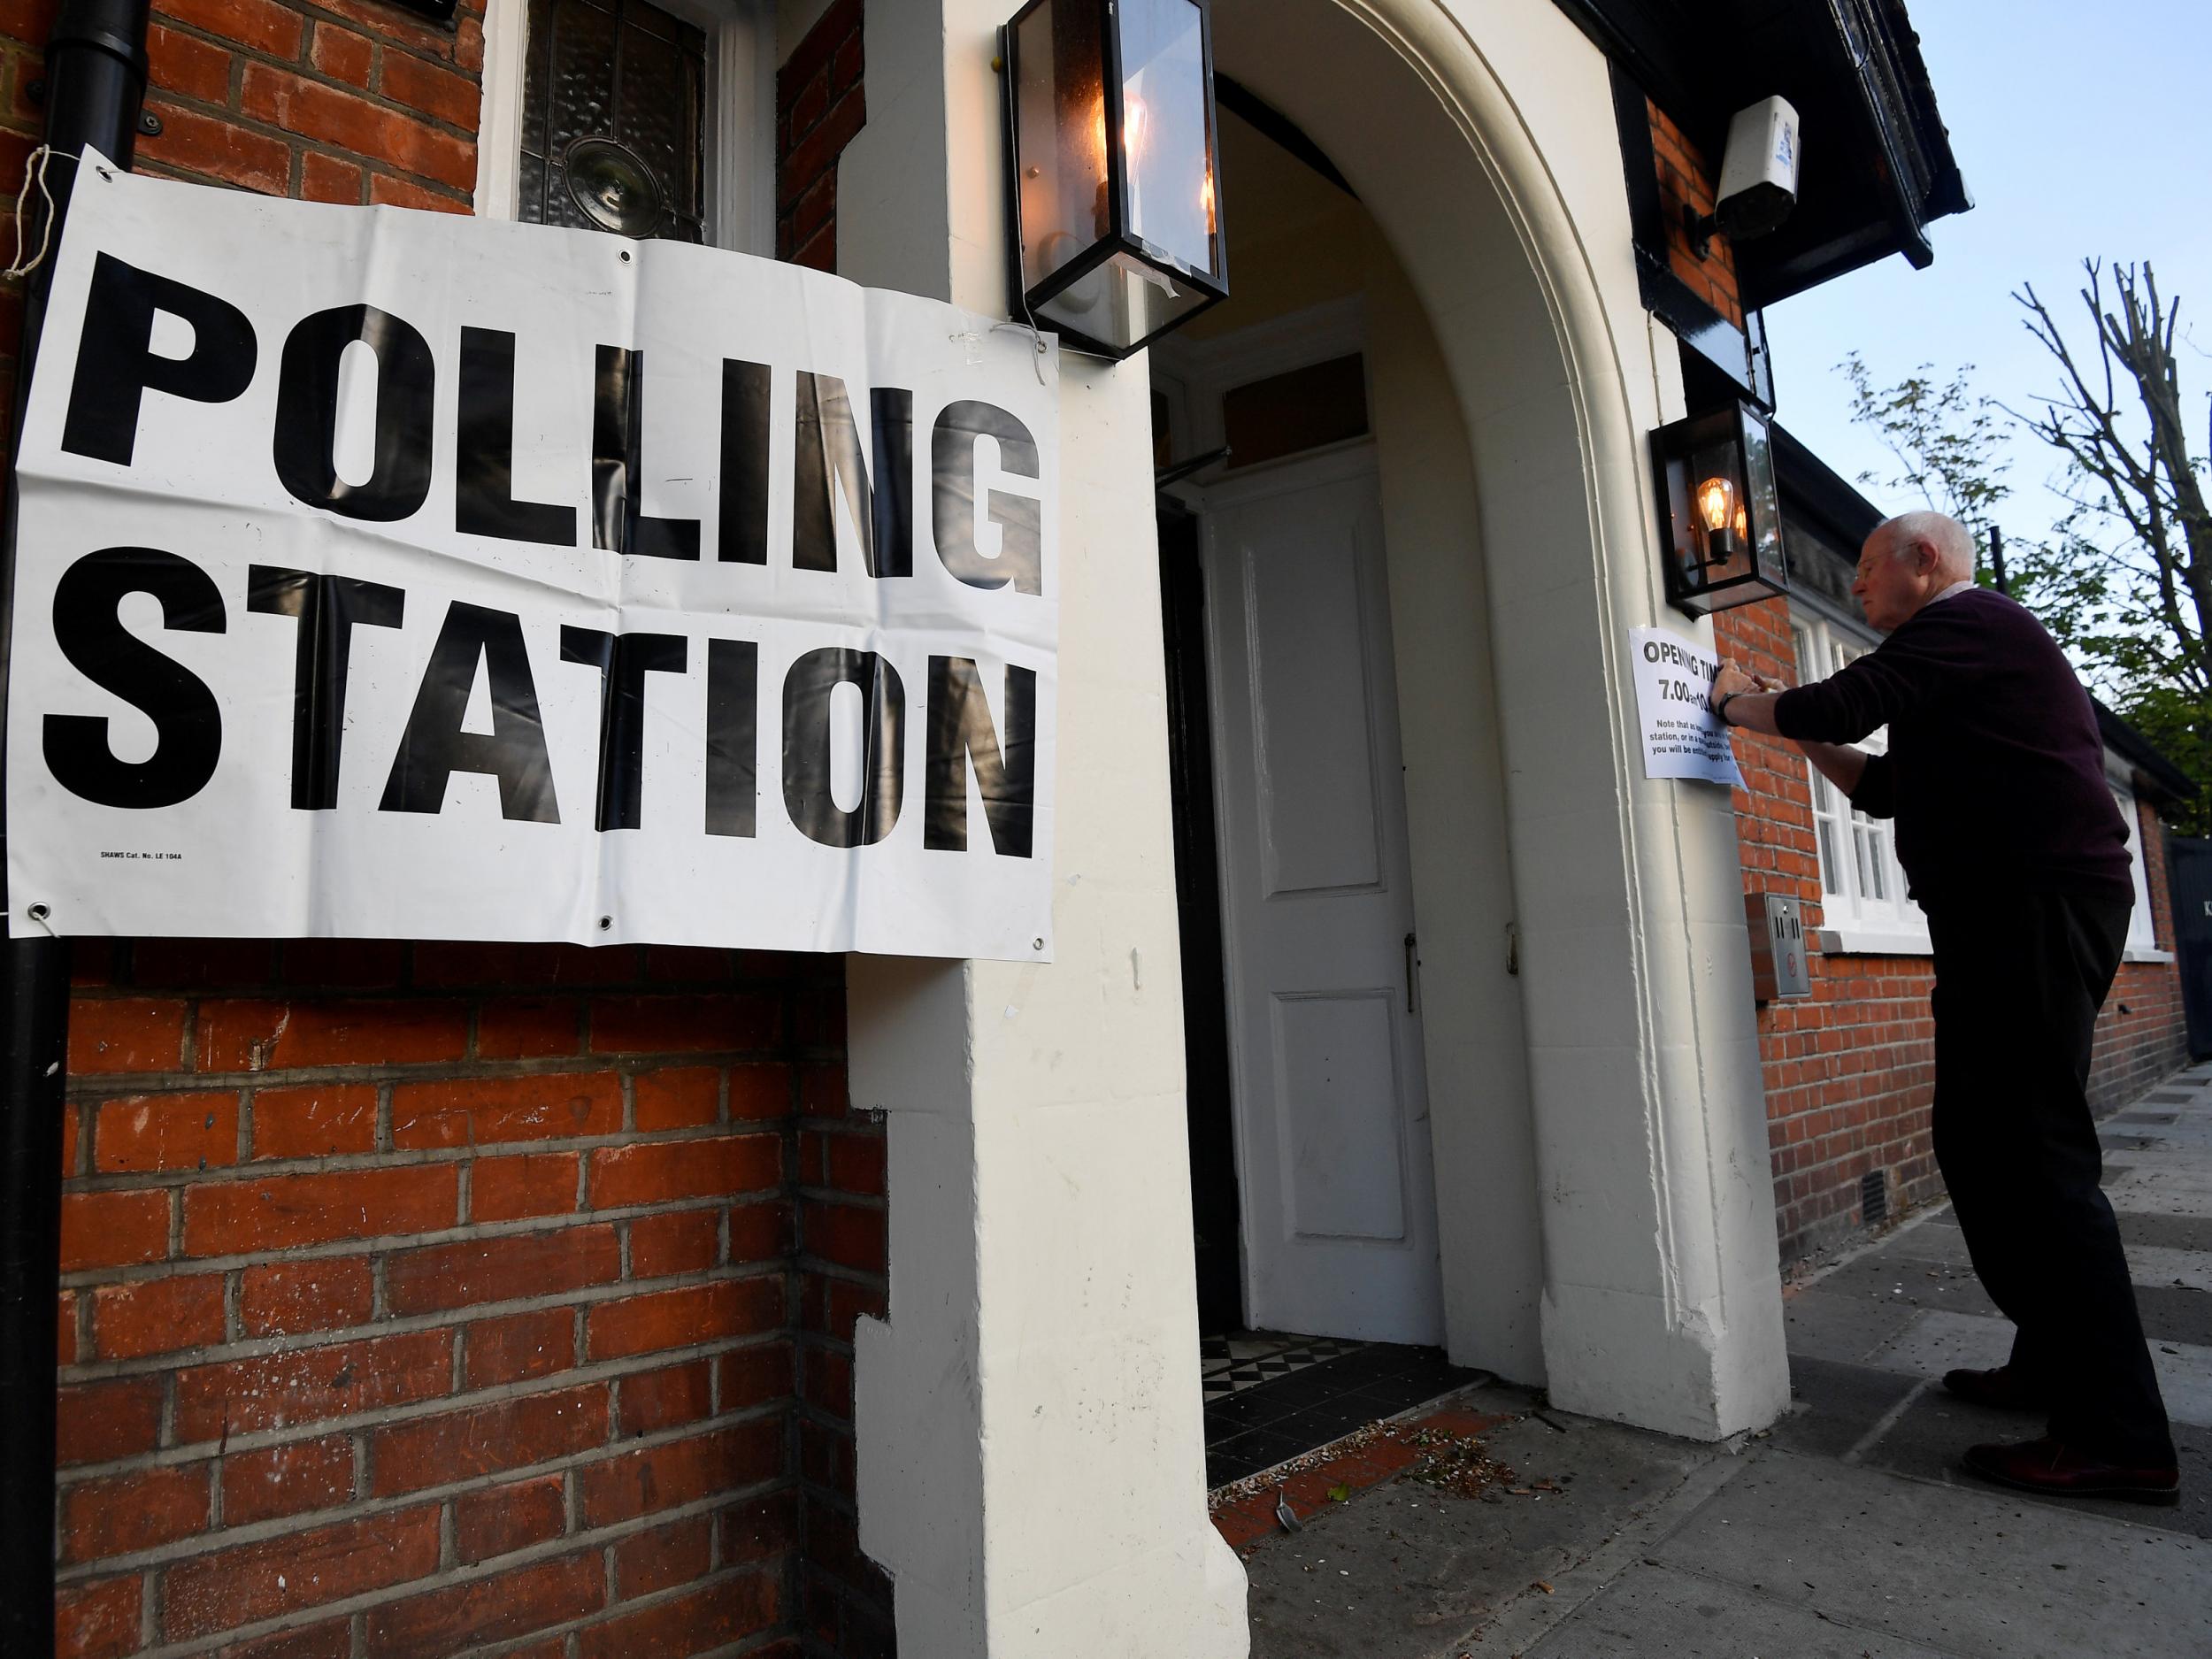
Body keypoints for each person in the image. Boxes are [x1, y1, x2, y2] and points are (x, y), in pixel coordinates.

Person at [1709, 509, 2177, 1505]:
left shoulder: (1969, 624)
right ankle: (2053, 1361)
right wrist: (1789, 732)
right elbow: (1883, 788)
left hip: (2033, 908)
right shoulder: (1969, 663)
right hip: (2013, 915)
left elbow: (1836, 705)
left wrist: (1741, 699)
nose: (1858, 592)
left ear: (1924, 564)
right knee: (1976, 1141)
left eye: (1869, 572)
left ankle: (2119, 1436)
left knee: (2036, 1156)